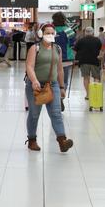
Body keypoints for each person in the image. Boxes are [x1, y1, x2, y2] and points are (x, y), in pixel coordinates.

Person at [24, 24, 74, 153]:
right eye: (47, 32)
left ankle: (62, 141)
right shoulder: (35, 48)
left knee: (56, 113)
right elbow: (29, 66)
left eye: (52, 33)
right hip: (35, 86)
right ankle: (32, 140)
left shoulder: (57, 49)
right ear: (41, 34)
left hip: (53, 85)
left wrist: (62, 86)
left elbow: (59, 69)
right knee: (34, 114)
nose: (50, 35)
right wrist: (34, 80)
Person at [73, 27, 103, 100]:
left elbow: (75, 50)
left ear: (85, 32)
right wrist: (100, 57)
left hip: (83, 61)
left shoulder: (80, 40)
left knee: (86, 78)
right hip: (95, 61)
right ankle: (95, 94)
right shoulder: (97, 40)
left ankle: (88, 95)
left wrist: (76, 58)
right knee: (96, 77)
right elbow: (101, 50)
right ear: (92, 32)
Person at [52, 12, 76, 98]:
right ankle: (61, 97)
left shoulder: (51, 30)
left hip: (52, 58)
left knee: (53, 79)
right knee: (64, 80)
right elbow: (72, 44)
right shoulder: (68, 30)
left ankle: (55, 97)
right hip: (66, 59)